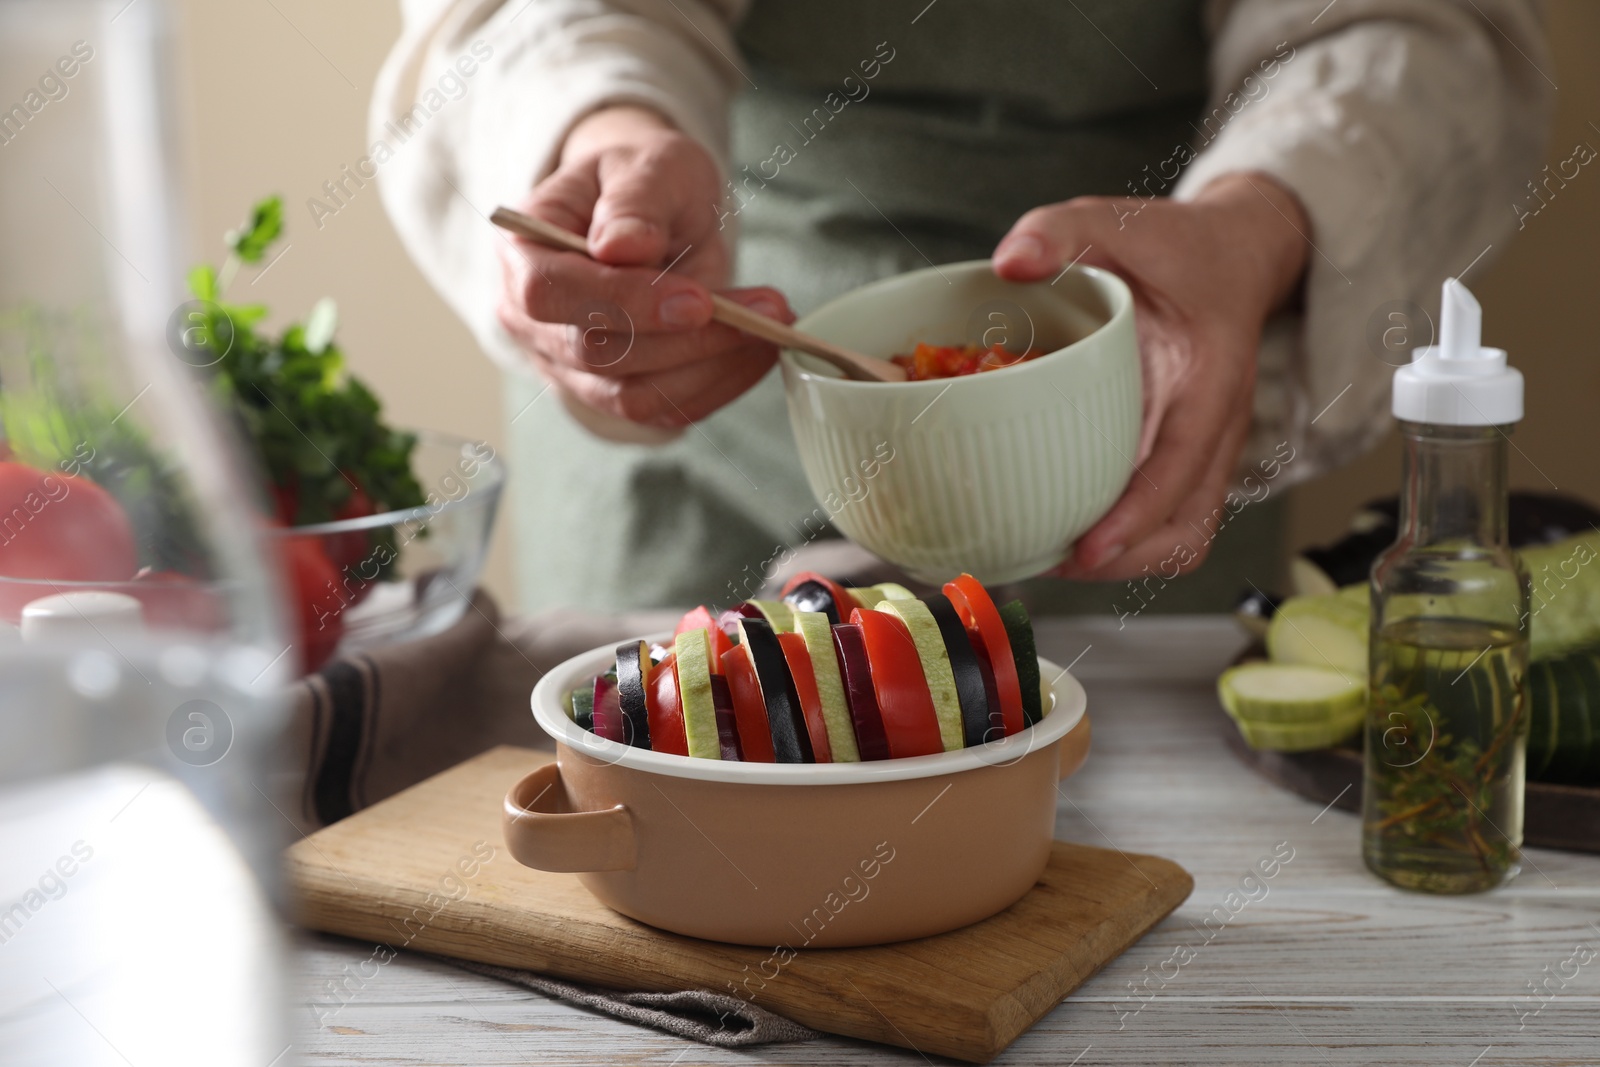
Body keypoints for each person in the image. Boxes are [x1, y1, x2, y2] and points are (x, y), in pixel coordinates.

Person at [371, 0, 1551, 613]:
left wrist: (1254, 229)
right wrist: (609, 139)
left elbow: (1416, 27)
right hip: (699, 412)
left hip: (1160, 361)